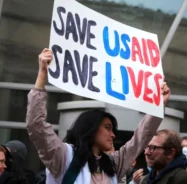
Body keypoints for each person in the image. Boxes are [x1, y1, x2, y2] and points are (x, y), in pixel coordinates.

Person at [26, 48, 171, 184]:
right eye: (107, 128)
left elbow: (142, 137)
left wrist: (159, 105)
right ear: (91, 129)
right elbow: (36, 126)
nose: (113, 135)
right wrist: (42, 73)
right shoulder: (63, 156)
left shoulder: (114, 164)